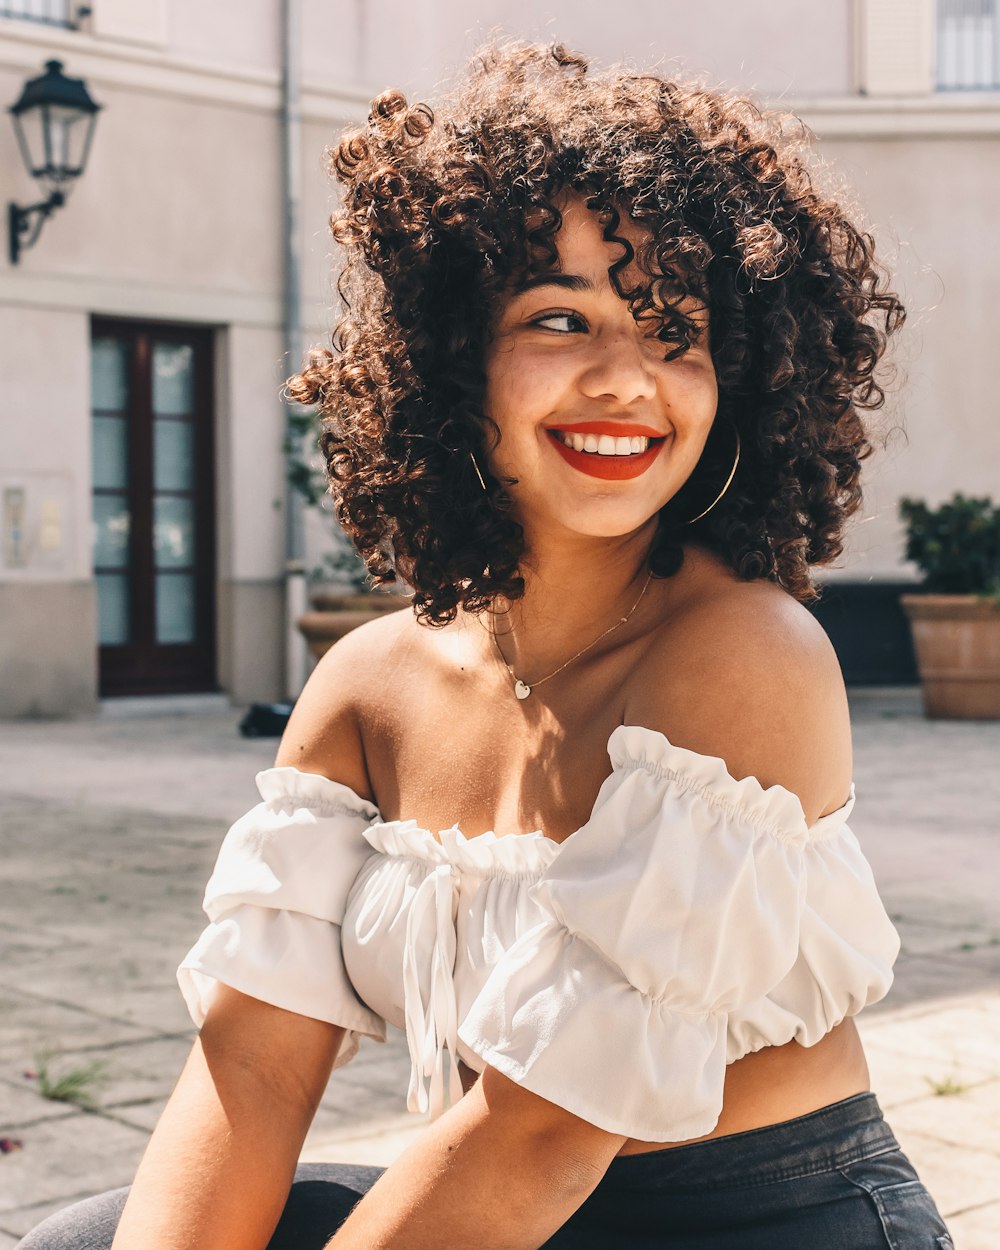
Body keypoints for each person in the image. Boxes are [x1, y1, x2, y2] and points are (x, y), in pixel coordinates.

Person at [20, 40, 953, 1250]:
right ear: (453, 359)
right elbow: (251, 1065)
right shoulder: (371, 684)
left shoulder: (749, 651)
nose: (626, 379)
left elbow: (541, 1129)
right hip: (501, 1203)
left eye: (677, 332)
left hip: (765, 1216)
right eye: (559, 318)